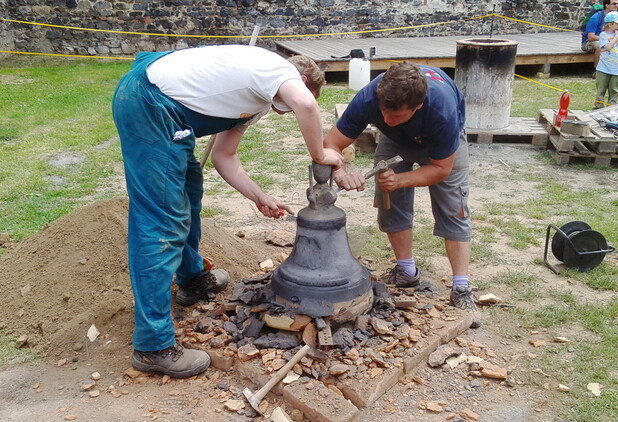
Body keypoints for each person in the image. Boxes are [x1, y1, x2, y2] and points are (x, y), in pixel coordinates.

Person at [112, 45, 344, 378]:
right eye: (300, 96)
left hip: (167, 112)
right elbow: (306, 103)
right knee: (161, 222)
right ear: (302, 78)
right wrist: (320, 153)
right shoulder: (277, 72)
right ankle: (153, 346)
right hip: (150, 106)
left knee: (188, 191)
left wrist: (259, 196)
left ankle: (193, 279)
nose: (292, 111)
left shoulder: (258, 96)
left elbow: (224, 156)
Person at [324, 62, 480, 329]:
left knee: (453, 207)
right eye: (383, 112)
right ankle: (406, 271)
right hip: (395, 141)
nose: (385, 119)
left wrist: (400, 180)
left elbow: (441, 170)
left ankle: (461, 288)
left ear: (417, 106)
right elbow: (332, 144)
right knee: (389, 200)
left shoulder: (441, 110)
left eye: (395, 116)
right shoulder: (371, 96)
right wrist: (340, 170)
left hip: (441, 143)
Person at [595, 11, 618, 108]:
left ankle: (612, 109)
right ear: (610, 24)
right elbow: (608, 47)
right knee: (601, 90)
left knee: (614, 90)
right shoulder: (603, 35)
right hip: (603, 68)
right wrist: (616, 36)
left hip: (616, 68)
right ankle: (598, 108)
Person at [582, 0, 618, 74]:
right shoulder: (596, 17)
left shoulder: (617, 17)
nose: (616, 6)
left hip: (608, 40)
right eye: (614, 4)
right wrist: (607, 39)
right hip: (590, 42)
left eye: (617, 4)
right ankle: (597, 71)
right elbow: (590, 37)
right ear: (607, 5)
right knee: (599, 45)